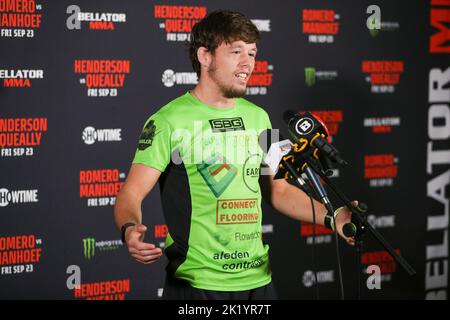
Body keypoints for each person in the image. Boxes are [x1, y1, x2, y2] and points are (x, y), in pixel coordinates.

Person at [114, 10, 355, 300]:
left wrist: (334, 216)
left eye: (252, 53)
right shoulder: (168, 121)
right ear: (205, 56)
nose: (248, 63)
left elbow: (277, 190)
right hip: (197, 286)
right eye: (236, 51)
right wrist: (129, 230)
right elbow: (131, 194)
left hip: (259, 282)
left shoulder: (259, 117)